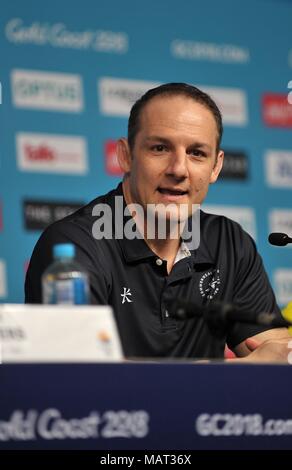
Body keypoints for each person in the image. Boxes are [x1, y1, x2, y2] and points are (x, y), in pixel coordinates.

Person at [25, 82, 290, 362]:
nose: (178, 169)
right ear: (126, 156)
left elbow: (275, 355)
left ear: (216, 167)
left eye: (196, 153)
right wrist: (232, 371)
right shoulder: (76, 245)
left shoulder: (228, 242)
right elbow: (80, 377)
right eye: (160, 148)